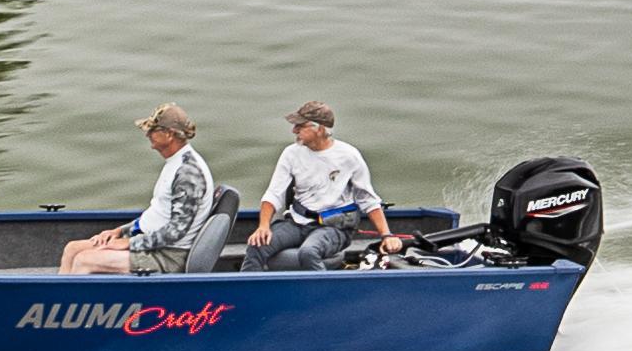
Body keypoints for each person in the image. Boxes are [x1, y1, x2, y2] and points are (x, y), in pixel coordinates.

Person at [246, 101, 399, 269]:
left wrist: (387, 235)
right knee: (257, 245)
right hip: (297, 222)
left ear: (320, 129)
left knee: (309, 252)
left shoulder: (349, 156)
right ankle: (245, 291)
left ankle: (320, 292)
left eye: (300, 126)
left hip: (334, 228)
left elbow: (368, 200)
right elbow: (274, 193)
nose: (294, 130)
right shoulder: (291, 154)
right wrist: (263, 226)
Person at [61, 105, 212, 273]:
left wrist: (129, 243)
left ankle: (71, 299)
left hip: (168, 255)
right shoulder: (176, 162)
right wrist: (120, 231)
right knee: (72, 249)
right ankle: (56, 299)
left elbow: (176, 231)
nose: (147, 134)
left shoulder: (189, 174)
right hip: (150, 242)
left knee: (85, 260)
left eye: (152, 130)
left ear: (169, 134)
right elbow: (158, 215)